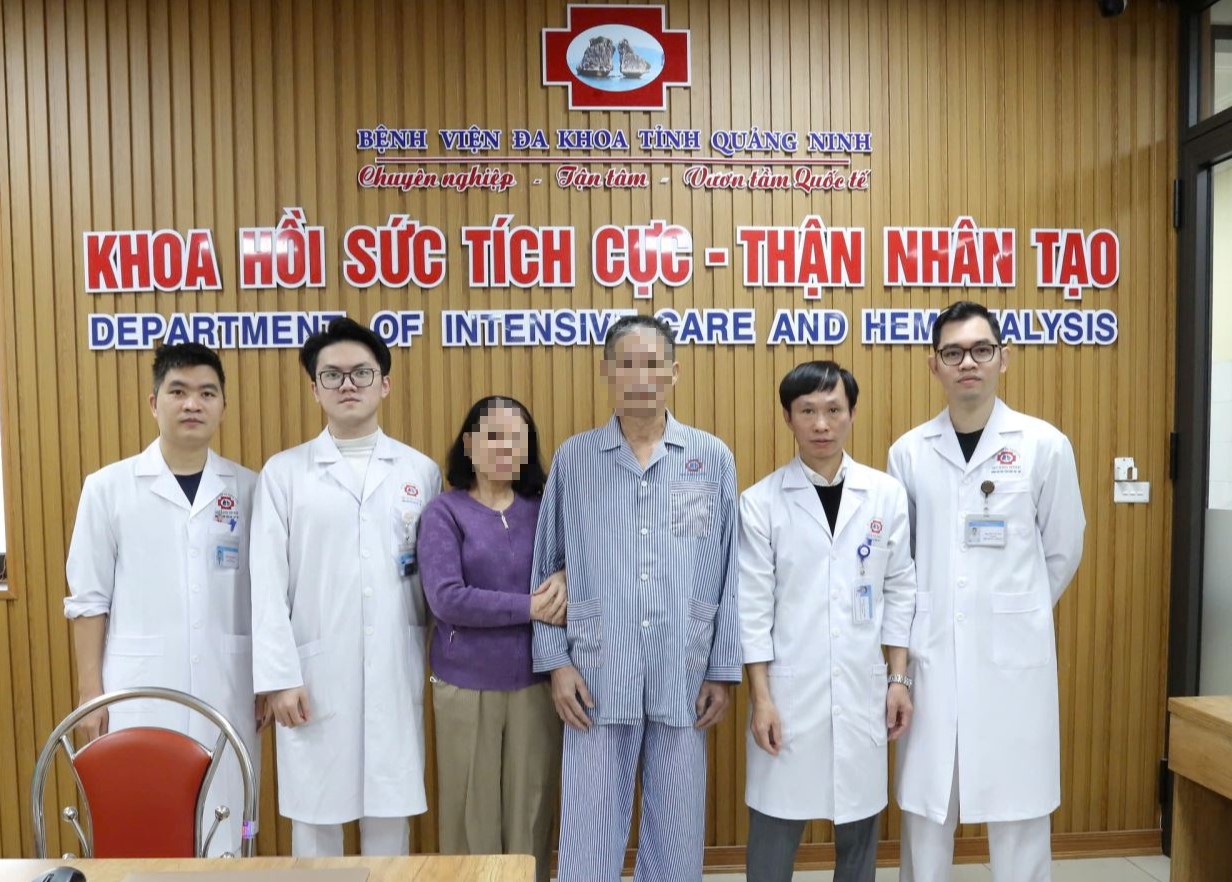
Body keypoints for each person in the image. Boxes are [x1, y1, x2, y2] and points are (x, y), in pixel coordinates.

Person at [531, 314, 741, 882]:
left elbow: (729, 570)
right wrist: (556, 664)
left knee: (676, 831)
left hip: (683, 670)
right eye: (626, 364)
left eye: (652, 364)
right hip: (597, 672)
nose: (640, 377)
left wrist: (721, 669)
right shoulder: (575, 460)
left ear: (674, 372)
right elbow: (547, 568)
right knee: (589, 829)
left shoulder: (710, 457)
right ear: (606, 372)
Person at [888, 300, 1085, 882]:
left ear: (1004, 358)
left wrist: (1015, 611)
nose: (967, 362)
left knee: (1019, 808)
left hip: (1012, 661)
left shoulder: (1044, 444)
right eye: (952, 353)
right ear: (934, 365)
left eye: (980, 349)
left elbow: (1063, 547)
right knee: (928, 810)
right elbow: (902, 561)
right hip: (932, 655)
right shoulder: (909, 452)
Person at [250, 317, 440, 857]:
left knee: (389, 821)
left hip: (394, 665)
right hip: (312, 673)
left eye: (361, 372)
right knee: (315, 822)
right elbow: (267, 584)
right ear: (315, 389)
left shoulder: (420, 472)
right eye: (332, 375)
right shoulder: (284, 474)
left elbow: (433, 580)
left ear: (385, 383)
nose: (348, 384)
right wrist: (279, 678)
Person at [65, 342, 264, 855]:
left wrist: (268, 679)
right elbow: (87, 599)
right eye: (178, 391)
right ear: (154, 403)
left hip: (229, 684)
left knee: (230, 822)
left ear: (223, 406)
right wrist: (90, 694)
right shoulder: (107, 488)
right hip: (138, 688)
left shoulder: (248, 489)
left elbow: (267, 595)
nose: (192, 404)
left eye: (207, 393)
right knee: (145, 824)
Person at [739, 361, 916, 882]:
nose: (821, 424)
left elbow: (900, 589)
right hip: (789, 691)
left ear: (852, 414)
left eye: (834, 410)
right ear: (788, 418)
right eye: (808, 411)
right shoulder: (761, 503)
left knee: (859, 829)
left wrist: (898, 678)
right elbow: (752, 608)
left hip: (863, 685)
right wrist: (761, 698)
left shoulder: (885, 494)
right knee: (774, 830)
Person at [417, 396, 566, 882]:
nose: (506, 448)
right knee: (471, 814)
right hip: (466, 687)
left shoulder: (544, 511)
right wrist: (528, 607)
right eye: (494, 436)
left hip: (535, 684)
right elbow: (447, 599)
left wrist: (565, 577)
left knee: (531, 809)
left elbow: (574, 570)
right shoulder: (445, 512)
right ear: (469, 444)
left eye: (517, 438)